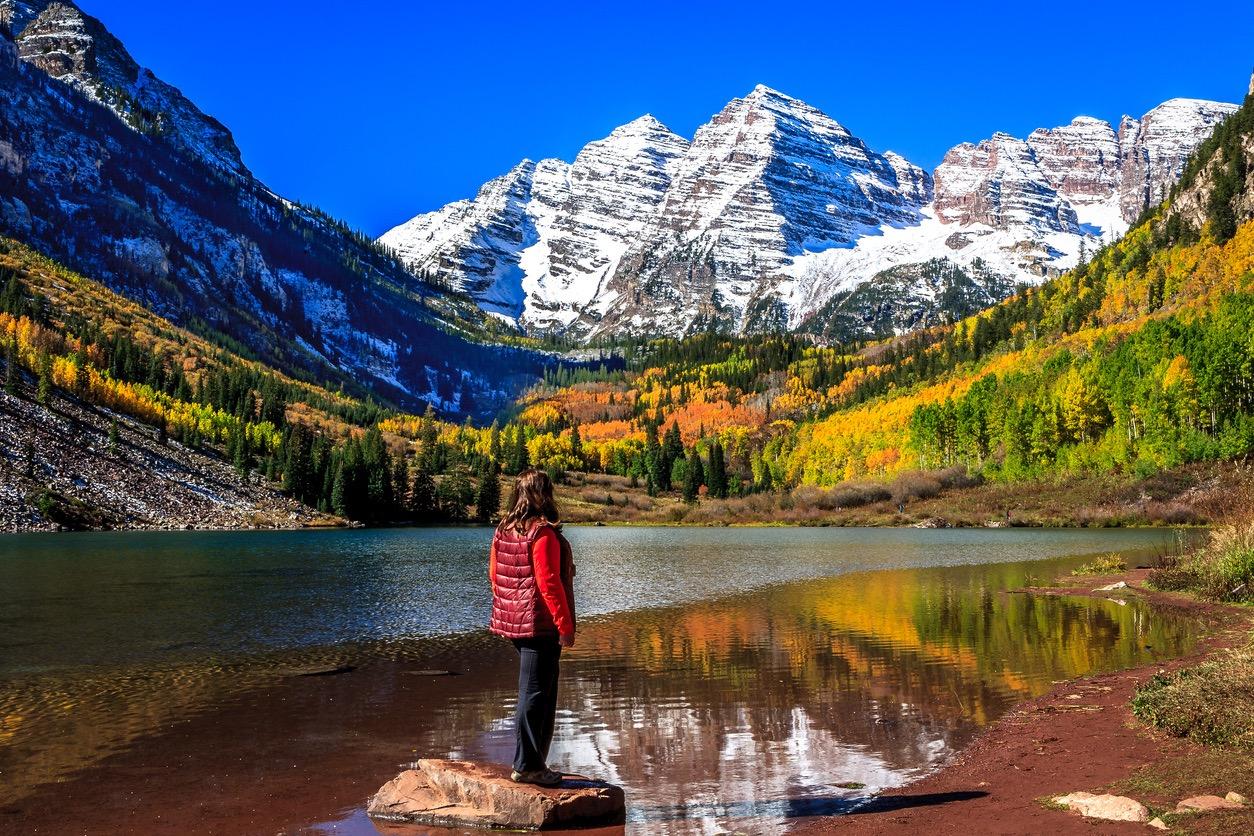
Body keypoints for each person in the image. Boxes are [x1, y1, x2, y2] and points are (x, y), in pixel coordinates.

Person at [488, 468, 576, 786]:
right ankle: (527, 766)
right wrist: (564, 626)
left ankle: (534, 762)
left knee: (538, 692)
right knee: (536, 694)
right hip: (539, 625)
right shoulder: (542, 535)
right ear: (544, 495)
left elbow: (495, 575)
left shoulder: (504, 529)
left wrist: (509, 607)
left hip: (516, 621)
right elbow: (549, 584)